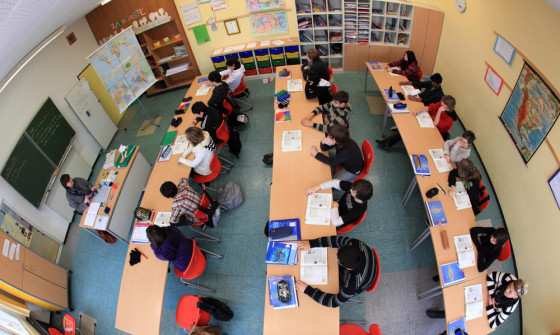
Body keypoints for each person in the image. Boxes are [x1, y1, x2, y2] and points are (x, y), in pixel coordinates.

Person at [295, 235, 378, 308]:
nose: (336, 260)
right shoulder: (354, 244)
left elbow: (333, 303)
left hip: (363, 280)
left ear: (348, 268)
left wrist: (307, 290)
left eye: (338, 262)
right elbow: (336, 240)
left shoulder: (353, 284)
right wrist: (311, 244)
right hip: (367, 265)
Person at [426, 272, 527, 332]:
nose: (506, 290)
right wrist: (491, 295)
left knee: (467, 321)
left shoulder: (510, 307)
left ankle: (445, 332)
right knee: (461, 303)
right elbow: (491, 276)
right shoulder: (509, 279)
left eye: (510, 292)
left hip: (489, 311)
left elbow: (493, 324)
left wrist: (491, 306)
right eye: (509, 287)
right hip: (488, 296)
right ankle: (444, 314)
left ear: (515, 297)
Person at [375, 95, 457, 151]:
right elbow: (429, 108)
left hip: (434, 132)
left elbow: (435, 123)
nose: (441, 103)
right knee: (409, 126)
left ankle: (388, 142)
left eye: (443, 104)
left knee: (410, 130)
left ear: (447, 107)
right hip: (427, 122)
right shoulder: (441, 105)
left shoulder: (449, 120)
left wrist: (439, 111)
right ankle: (388, 142)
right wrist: (419, 110)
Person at [305, 179, 372, 231]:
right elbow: (335, 182)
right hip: (337, 205)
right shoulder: (354, 188)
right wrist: (317, 187)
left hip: (338, 218)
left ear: (358, 197)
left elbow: (336, 222)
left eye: (353, 191)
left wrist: (335, 207)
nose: (350, 189)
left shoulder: (359, 210)